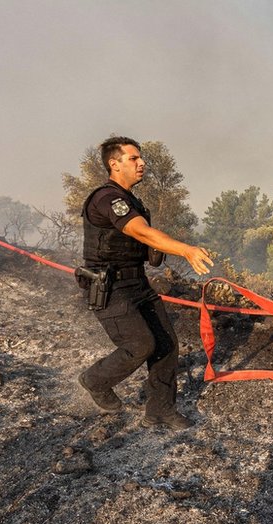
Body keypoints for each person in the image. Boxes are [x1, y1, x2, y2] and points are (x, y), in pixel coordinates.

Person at [76, 136, 214, 430]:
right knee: (140, 344)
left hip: (137, 283)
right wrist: (186, 250)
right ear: (114, 164)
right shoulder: (107, 198)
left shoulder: (130, 200)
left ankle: (160, 412)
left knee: (166, 344)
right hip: (110, 287)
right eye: (134, 159)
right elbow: (141, 232)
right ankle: (95, 380)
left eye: (141, 158)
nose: (142, 163)